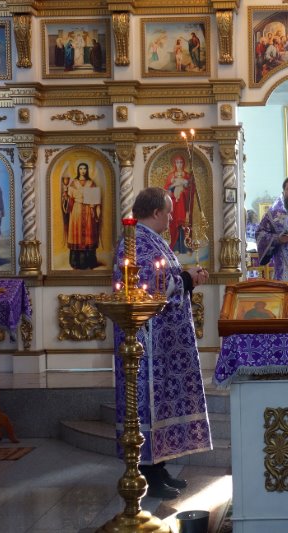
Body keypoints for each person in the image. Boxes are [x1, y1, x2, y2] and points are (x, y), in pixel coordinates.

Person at [113, 187, 212, 500]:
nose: (171, 218)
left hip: (164, 341)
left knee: (162, 404)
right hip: (146, 345)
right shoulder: (135, 241)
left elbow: (165, 279)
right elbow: (147, 288)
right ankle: (148, 474)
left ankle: (160, 466)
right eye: (168, 212)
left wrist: (186, 277)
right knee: (147, 406)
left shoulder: (151, 239)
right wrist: (186, 279)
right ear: (156, 212)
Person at [65, 162, 101, 269]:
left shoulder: (91, 183)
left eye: (84, 168)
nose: (83, 171)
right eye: (80, 168)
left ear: (87, 170)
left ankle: (89, 262)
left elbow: (95, 198)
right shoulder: (73, 183)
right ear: (78, 170)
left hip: (89, 210)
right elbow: (70, 199)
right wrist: (66, 197)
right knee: (76, 234)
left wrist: (94, 209)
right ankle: (76, 262)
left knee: (89, 234)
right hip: (76, 210)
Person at [163, 154, 196, 253]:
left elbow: (191, 191)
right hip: (174, 204)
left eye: (181, 162)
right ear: (174, 164)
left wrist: (186, 188)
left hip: (184, 205)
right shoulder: (171, 176)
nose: (179, 164)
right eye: (177, 162)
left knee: (184, 224)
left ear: (184, 163)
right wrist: (174, 185)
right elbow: (167, 191)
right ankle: (175, 246)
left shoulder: (188, 176)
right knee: (174, 224)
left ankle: (186, 246)